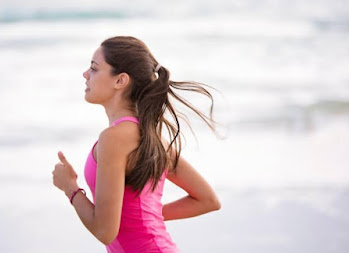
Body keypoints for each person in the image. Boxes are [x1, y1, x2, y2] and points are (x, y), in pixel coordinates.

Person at [52, 36, 222, 253]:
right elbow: (207, 200)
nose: (85, 74)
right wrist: (146, 218)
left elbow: (105, 231)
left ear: (120, 80)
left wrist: (71, 189)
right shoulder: (150, 136)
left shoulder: (114, 138)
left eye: (94, 69)